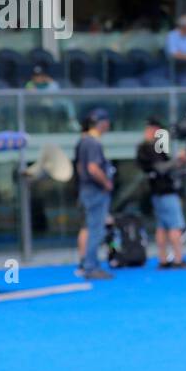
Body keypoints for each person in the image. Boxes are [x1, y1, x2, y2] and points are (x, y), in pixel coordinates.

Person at [137, 117, 186, 269]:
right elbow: (161, 168)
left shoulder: (146, 148)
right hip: (164, 192)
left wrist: (177, 162)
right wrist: (178, 159)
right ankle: (178, 259)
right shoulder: (149, 148)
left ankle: (163, 259)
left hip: (156, 193)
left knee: (162, 227)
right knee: (174, 225)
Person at [74, 108, 115, 281]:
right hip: (95, 191)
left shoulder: (83, 141)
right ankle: (91, 267)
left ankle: (86, 263)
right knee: (95, 230)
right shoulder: (93, 142)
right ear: (103, 123)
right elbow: (93, 168)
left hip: (86, 189)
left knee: (88, 228)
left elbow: (79, 167)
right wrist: (106, 183)